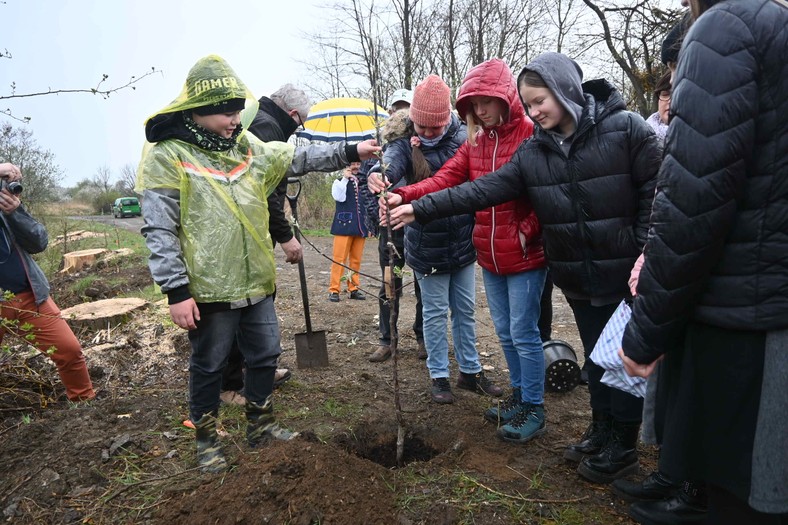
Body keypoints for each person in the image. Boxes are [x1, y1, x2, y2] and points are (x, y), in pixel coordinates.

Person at [384, 53, 660, 478]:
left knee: (606, 355)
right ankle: (600, 429)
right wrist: (413, 203)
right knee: (583, 353)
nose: (533, 111)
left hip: (606, 268)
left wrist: (639, 247)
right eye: (528, 104)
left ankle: (610, 440)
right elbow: (476, 189)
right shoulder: (520, 145)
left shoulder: (610, 131)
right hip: (553, 267)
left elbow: (653, 193)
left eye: (537, 102)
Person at [136, 55, 379, 473]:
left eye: (237, 111)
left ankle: (260, 426)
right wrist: (176, 291)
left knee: (265, 354)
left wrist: (349, 150)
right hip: (209, 287)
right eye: (228, 113)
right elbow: (159, 230)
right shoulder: (168, 155)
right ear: (201, 109)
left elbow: (293, 158)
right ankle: (207, 440)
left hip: (256, 280)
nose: (236, 119)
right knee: (209, 364)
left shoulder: (244, 146)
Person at [621, 0, 788, 523]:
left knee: (741, 495)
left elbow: (693, 202)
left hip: (744, 315)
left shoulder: (727, 27)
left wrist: (647, 332)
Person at [372, 59, 548, 442]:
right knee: (504, 330)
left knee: (523, 331)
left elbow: (547, 193)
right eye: (471, 104)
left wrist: (527, 230)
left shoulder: (531, 135)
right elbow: (445, 179)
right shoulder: (478, 141)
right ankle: (519, 397)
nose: (479, 111)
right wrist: (402, 193)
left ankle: (534, 404)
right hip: (489, 253)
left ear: (504, 97)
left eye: (485, 102)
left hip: (523, 254)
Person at [374, 74, 503, 404]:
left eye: (436, 127)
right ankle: (439, 376)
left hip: (462, 239)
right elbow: (392, 164)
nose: (429, 133)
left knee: (465, 309)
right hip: (425, 243)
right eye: (423, 127)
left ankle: (471, 372)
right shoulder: (403, 143)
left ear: (448, 118)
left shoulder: (465, 138)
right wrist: (382, 177)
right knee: (433, 312)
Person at [219, 83, 312, 405]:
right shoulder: (268, 128)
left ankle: (258, 367)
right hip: (241, 237)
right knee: (240, 304)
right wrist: (286, 237)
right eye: (299, 124)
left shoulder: (260, 119)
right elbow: (267, 195)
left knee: (256, 300)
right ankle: (230, 383)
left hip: (249, 234)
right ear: (293, 114)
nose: (297, 130)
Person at [0, 163, 96, 403]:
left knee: (69, 350)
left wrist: (16, 212)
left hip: (30, 296)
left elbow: (39, 242)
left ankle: (84, 405)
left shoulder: (8, 209)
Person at [366, 90, 426, 363]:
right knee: (390, 281)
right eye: (396, 108)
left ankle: (423, 337)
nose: (400, 114)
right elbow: (372, 177)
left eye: (406, 108)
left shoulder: (424, 142)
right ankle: (387, 339)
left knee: (424, 282)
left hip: (418, 220)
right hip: (390, 225)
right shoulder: (382, 144)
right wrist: (375, 213)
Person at [328, 162, 369, 301]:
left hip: (360, 226)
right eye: (353, 164)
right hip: (343, 225)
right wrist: (345, 178)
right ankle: (334, 289)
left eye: (358, 163)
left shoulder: (365, 181)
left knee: (356, 260)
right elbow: (339, 197)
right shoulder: (339, 182)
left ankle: (353, 288)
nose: (356, 166)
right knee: (339, 259)